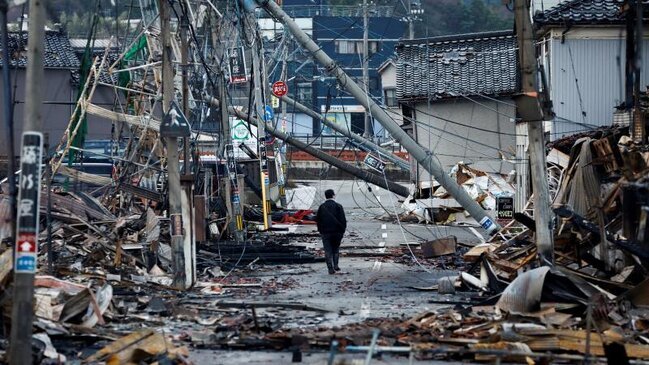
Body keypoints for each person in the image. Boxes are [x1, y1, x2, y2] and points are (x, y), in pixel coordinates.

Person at [316, 189, 347, 274]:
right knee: (336, 249)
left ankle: (330, 268)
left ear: (325, 196)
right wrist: (342, 231)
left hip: (325, 232)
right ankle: (336, 265)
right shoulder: (338, 206)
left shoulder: (322, 207)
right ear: (333, 195)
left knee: (328, 250)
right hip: (337, 232)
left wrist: (320, 230)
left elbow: (318, 220)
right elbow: (343, 220)